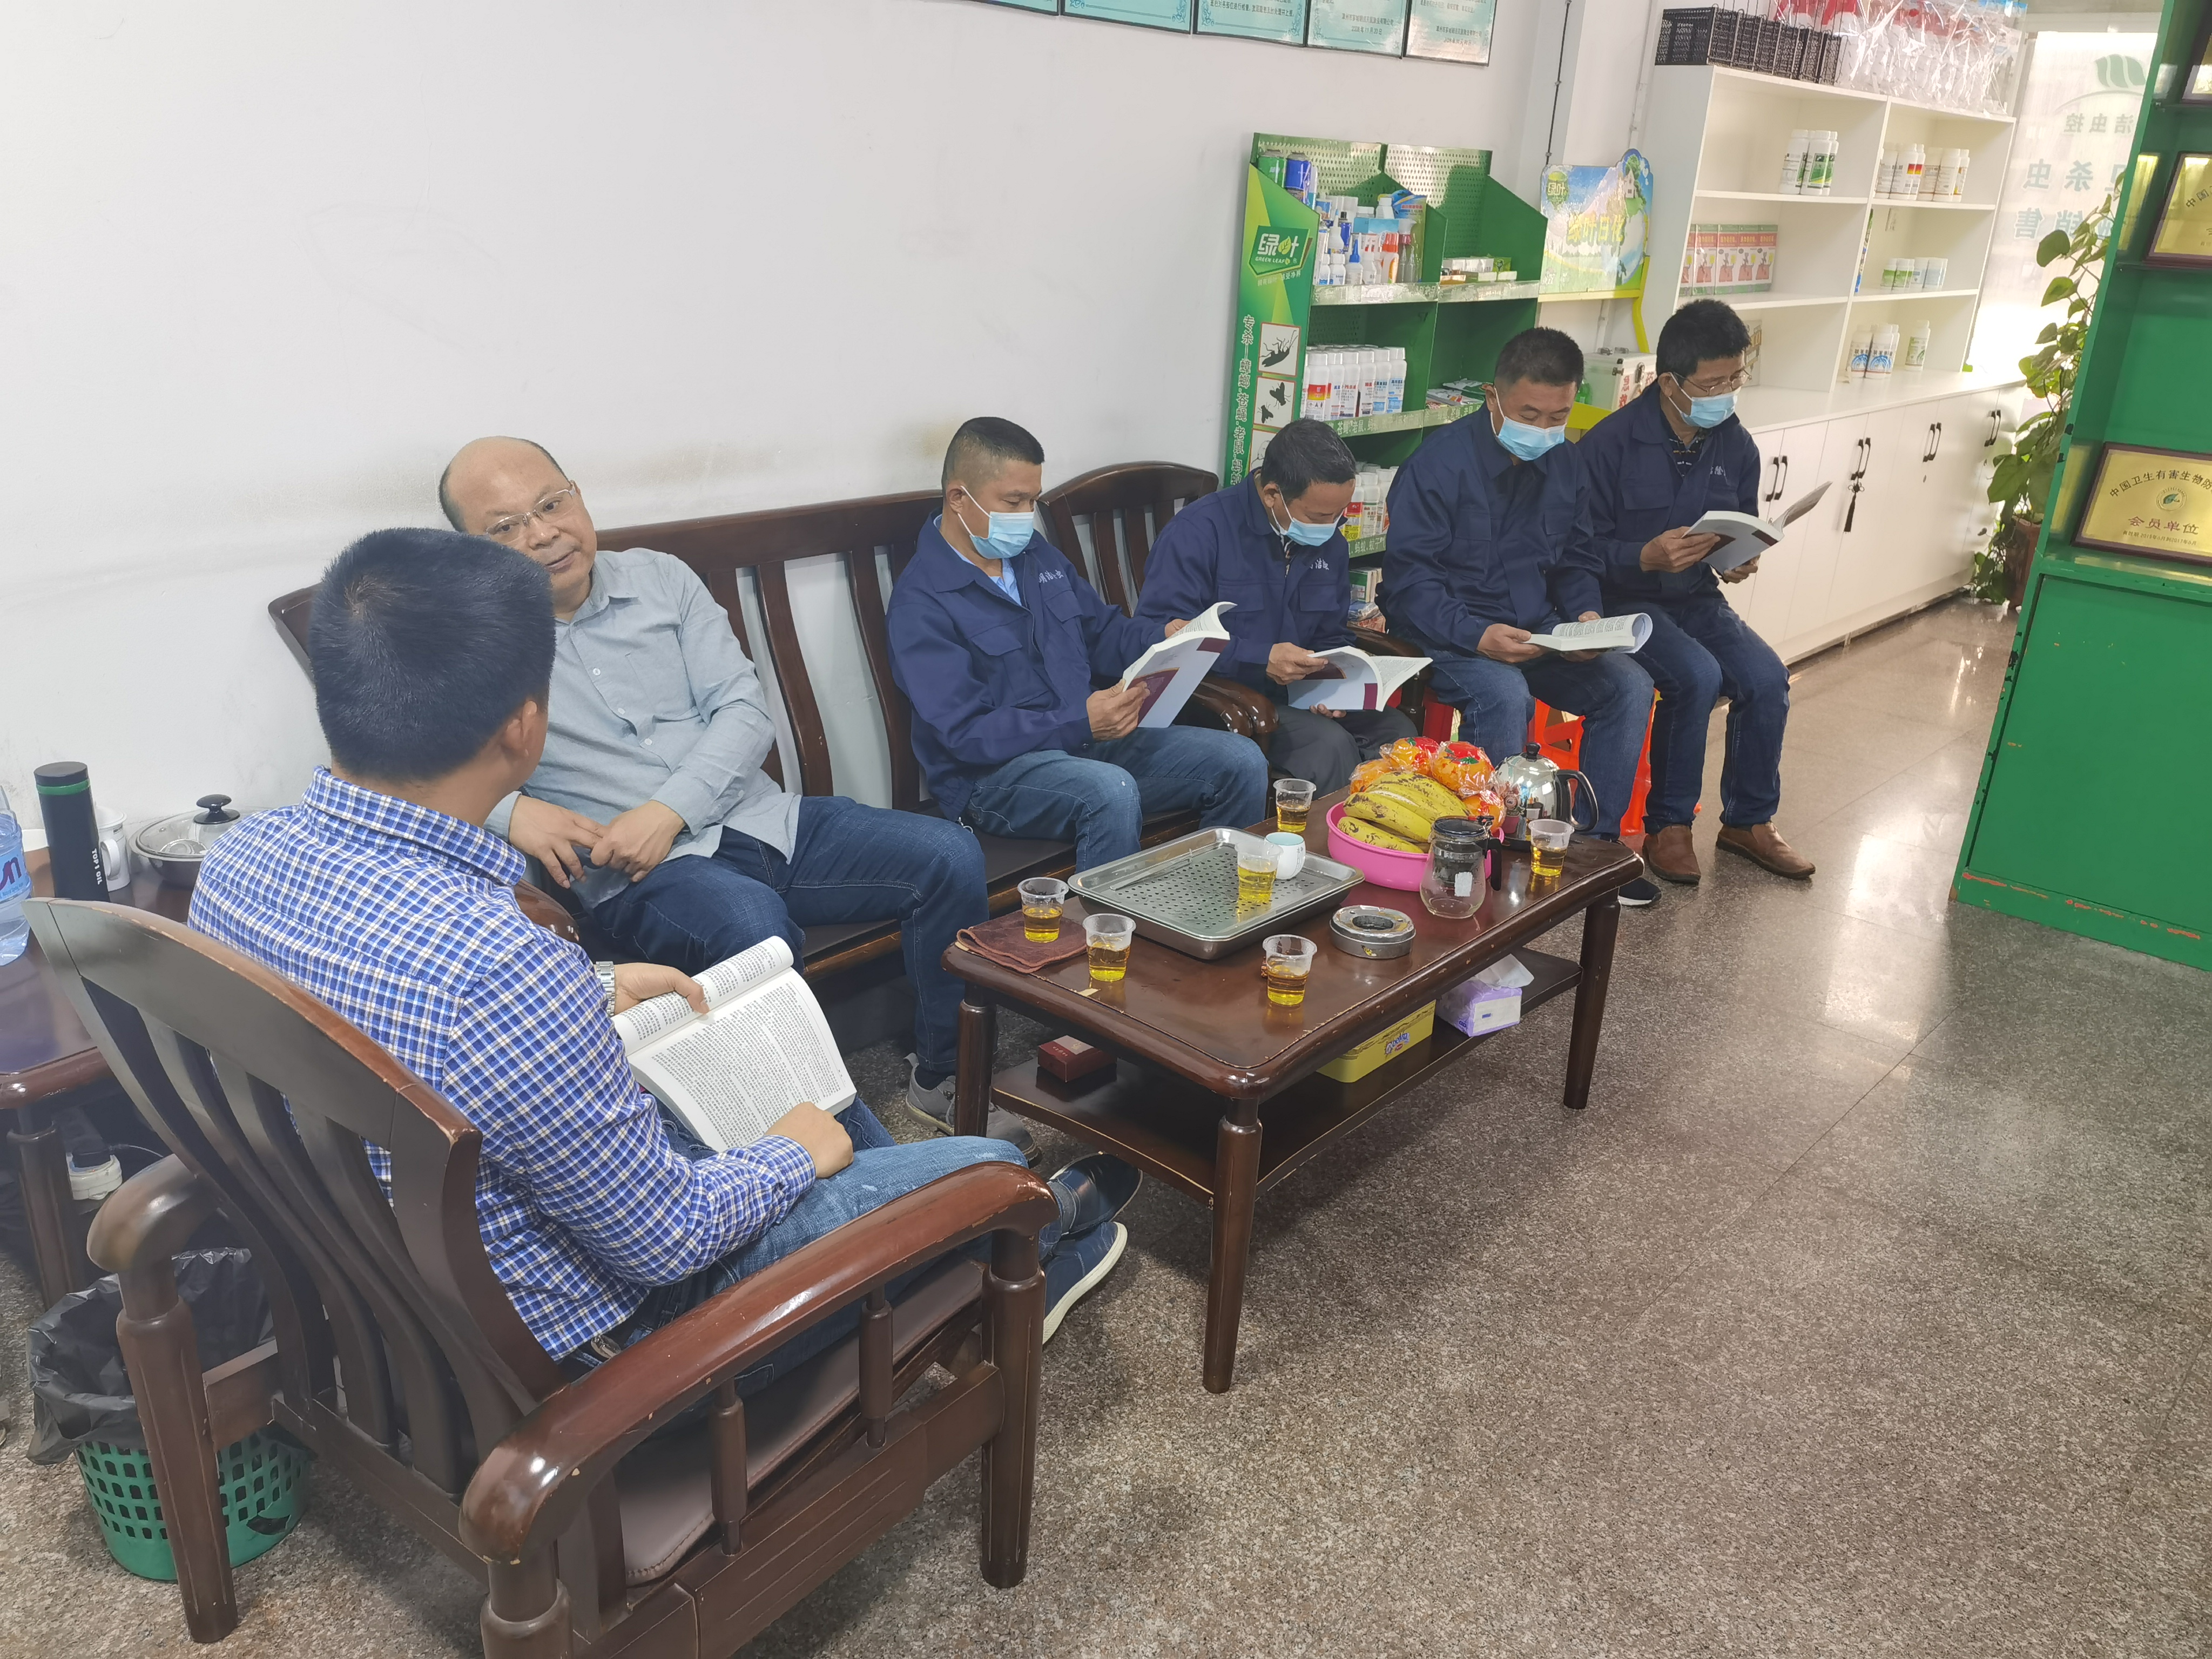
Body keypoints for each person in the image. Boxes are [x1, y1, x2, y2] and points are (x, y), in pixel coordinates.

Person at [191, 530, 1138, 1381]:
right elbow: (667, 1240)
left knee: (762, 1064)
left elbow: (413, 1006)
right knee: (988, 1174)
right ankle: (1021, 1238)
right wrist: (790, 1157)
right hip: (615, 1344)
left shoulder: (237, 862)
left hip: (409, 1273)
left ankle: (920, 1230)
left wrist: (591, 983)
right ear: (526, 726)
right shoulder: (500, 967)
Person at [436, 436, 1033, 1151]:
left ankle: (942, 1079)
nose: (541, 534)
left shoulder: (661, 580)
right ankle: (855, 1163)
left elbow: (745, 712)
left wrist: (670, 810)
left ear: (578, 496)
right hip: (647, 876)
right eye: (505, 527)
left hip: (763, 819)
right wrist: (511, 812)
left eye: (550, 504)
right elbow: (411, 774)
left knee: (945, 854)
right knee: (753, 929)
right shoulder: (462, 641)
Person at [888, 417, 1270, 870]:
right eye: (1013, 501)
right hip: (994, 776)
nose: (1025, 516)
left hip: (1088, 740)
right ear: (958, 498)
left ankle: (1215, 901)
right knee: (1109, 791)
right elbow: (965, 734)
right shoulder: (921, 602)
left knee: (1241, 761)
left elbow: (1102, 632)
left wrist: (1164, 637)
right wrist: (1079, 722)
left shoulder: (1033, 554)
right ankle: (1111, 918)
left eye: (1032, 500)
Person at [1380, 327, 1661, 906]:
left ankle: (1591, 853)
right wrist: (1477, 635)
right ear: (1493, 396)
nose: (1543, 430)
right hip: (1446, 633)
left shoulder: (1567, 462)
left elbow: (1576, 558)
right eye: (1528, 415)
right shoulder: (1437, 466)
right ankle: (1489, 861)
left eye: (1558, 417)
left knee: (1629, 685)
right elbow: (1411, 584)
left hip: (1538, 629)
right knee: (1505, 694)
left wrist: (1585, 616)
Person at [1579, 299, 1814, 884]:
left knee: (1767, 678)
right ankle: (1669, 826)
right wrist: (1641, 555)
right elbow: (1574, 553)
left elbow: (1738, 525)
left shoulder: (1736, 445)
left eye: (1736, 378)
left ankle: (1749, 821)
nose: (1726, 394)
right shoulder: (1609, 446)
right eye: (1712, 384)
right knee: (1696, 676)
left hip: (1696, 596)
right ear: (1670, 383)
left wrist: (1739, 559)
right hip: (1623, 600)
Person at [1134, 419, 1417, 793]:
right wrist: (1259, 658)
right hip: (1224, 699)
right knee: (1328, 747)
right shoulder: (1199, 532)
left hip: (1300, 693)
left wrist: (1335, 684)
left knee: (1399, 734)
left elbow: (1330, 632)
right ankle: (1329, 832)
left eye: (1339, 513)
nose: (1332, 526)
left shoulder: (1329, 541)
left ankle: (1386, 830)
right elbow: (1162, 637)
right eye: (1319, 516)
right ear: (1272, 495)